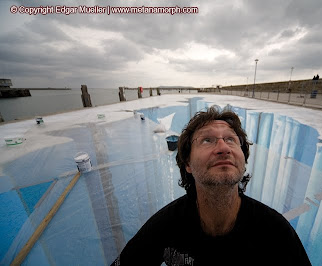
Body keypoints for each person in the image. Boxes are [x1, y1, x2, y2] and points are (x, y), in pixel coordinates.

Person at [111, 106, 311, 265]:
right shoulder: (166, 227)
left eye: (231, 139)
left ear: (243, 158)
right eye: (207, 140)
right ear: (187, 163)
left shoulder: (275, 233)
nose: (224, 148)